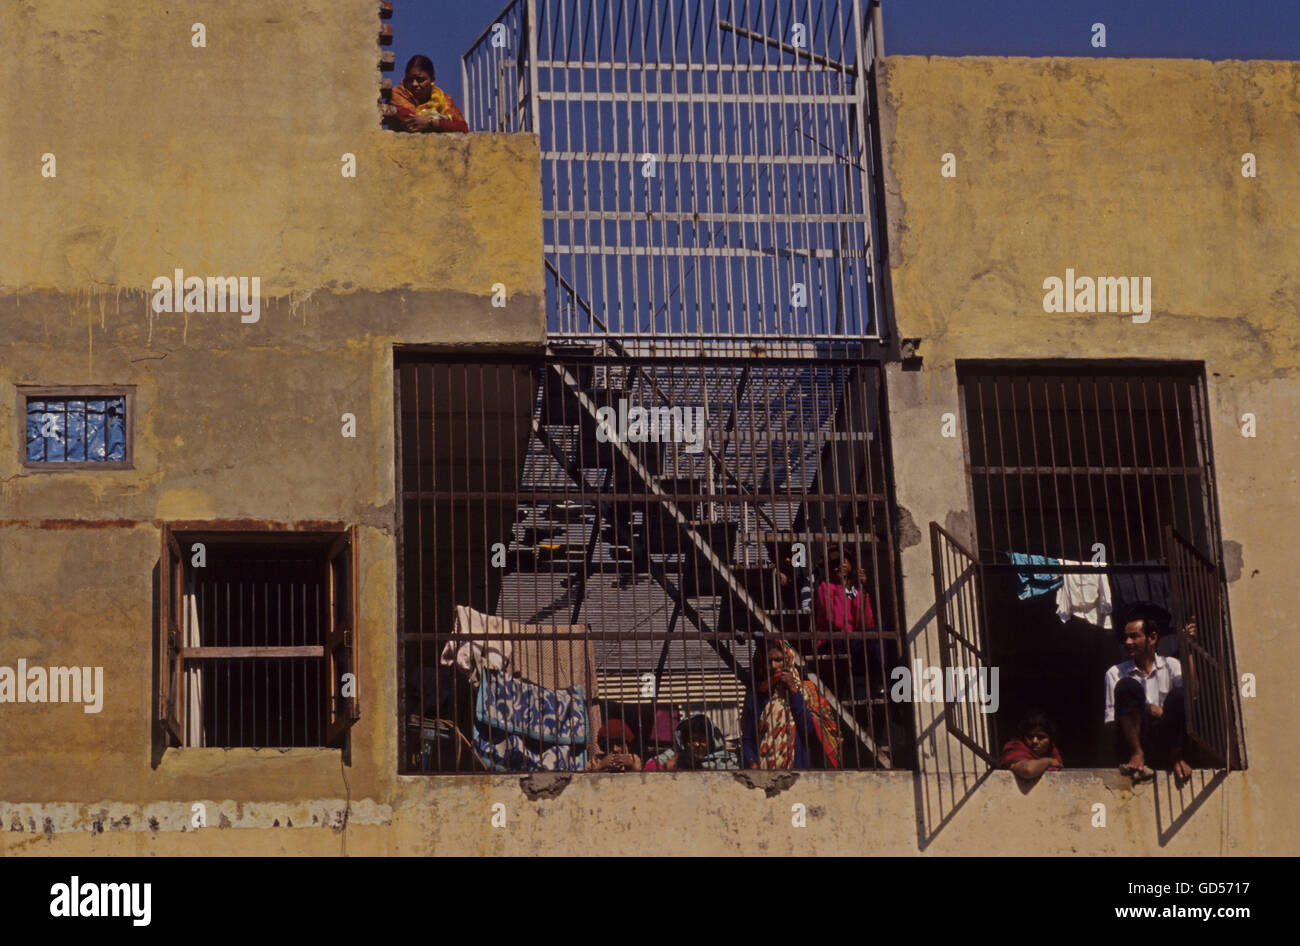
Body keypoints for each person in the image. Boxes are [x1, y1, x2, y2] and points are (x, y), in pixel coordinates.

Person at [1104, 603, 1191, 782]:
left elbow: (1191, 695)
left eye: (1134, 636)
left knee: (1180, 695)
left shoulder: (1172, 665)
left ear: (1152, 638)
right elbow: (1112, 721)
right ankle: (1137, 755)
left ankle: (1177, 756)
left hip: (1166, 738)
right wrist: (1149, 709)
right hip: (1132, 738)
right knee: (1128, 686)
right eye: (1126, 637)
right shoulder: (1115, 673)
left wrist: (1189, 648)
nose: (1128, 642)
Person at [741, 638, 824, 769]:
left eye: (778, 660)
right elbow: (746, 739)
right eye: (769, 661)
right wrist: (753, 762)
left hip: (800, 773)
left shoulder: (807, 692)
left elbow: (809, 730)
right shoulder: (758, 697)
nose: (773, 666)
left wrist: (794, 692)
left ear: (789, 660)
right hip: (767, 775)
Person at [389, 55, 469, 134]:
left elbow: (463, 128)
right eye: (410, 79)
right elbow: (413, 123)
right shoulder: (398, 96)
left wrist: (431, 123)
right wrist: (444, 121)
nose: (414, 84)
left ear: (432, 80)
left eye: (420, 80)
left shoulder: (442, 99)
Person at [644, 714, 738, 771]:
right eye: (692, 740)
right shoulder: (674, 755)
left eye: (702, 740)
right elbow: (650, 766)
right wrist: (665, 768)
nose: (697, 745)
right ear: (683, 742)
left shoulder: (725, 760)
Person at [999, 710, 1064, 779]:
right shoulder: (1015, 748)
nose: (1034, 741)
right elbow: (1028, 770)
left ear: (1051, 740)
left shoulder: (1052, 751)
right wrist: (1048, 761)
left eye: (1041, 737)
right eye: (1030, 736)